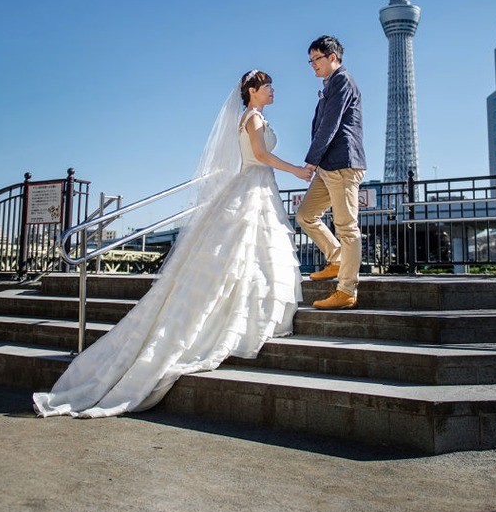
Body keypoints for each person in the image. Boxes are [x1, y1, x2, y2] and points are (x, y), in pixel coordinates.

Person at [33, 70, 313, 418]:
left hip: (254, 187)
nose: (273, 90)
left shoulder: (251, 116)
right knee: (246, 255)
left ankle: (247, 318)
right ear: (253, 91)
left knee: (249, 257)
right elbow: (261, 155)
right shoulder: (253, 118)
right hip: (254, 184)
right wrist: (297, 171)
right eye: (268, 86)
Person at [296, 35, 366, 310]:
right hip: (328, 165)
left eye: (316, 59)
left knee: (347, 227)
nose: (312, 65)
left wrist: (310, 162)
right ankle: (336, 258)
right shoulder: (330, 84)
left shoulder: (342, 81)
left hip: (343, 164)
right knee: (305, 215)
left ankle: (347, 290)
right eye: (310, 60)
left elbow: (330, 125)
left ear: (332, 57)